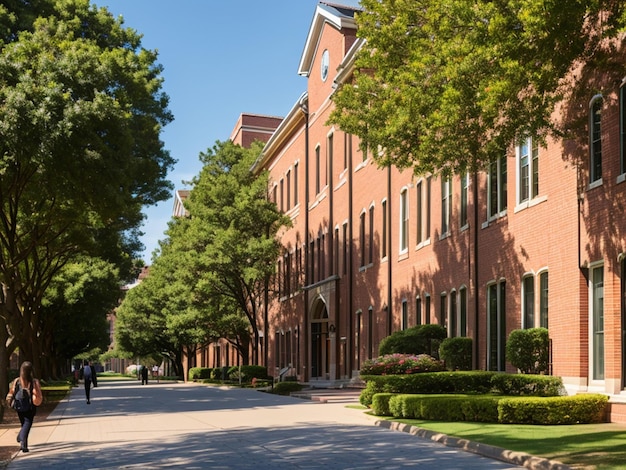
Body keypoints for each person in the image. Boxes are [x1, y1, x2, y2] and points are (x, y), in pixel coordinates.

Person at [5, 361, 43, 453]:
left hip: (19, 406)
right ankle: (21, 437)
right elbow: (38, 394)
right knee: (27, 423)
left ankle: (24, 445)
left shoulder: (17, 381)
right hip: (30, 406)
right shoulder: (34, 381)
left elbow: (12, 391)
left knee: (23, 423)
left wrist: (9, 401)